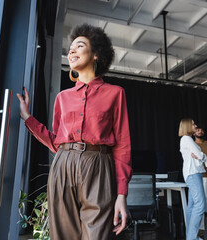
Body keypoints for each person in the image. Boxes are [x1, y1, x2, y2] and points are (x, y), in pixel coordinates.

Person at [17, 24, 132, 239]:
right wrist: (27, 118)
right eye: (70, 48)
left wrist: (121, 194)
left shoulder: (115, 94)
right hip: (63, 164)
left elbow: (123, 146)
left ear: (96, 55)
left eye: (79, 46)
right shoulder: (62, 98)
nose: (71, 51)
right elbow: (56, 142)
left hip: (98, 166)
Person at [179, 119, 207, 240]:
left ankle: (191, 236)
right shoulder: (187, 139)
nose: (195, 126)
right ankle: (192, 237)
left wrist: (200, 156)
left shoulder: (186, 139)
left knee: (192, 206)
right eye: (193, 124)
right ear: (187, 126)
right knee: (200, 205)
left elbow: (197, 155)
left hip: (192, 173)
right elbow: (200, 154)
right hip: (193, 174)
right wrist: (205, 158)